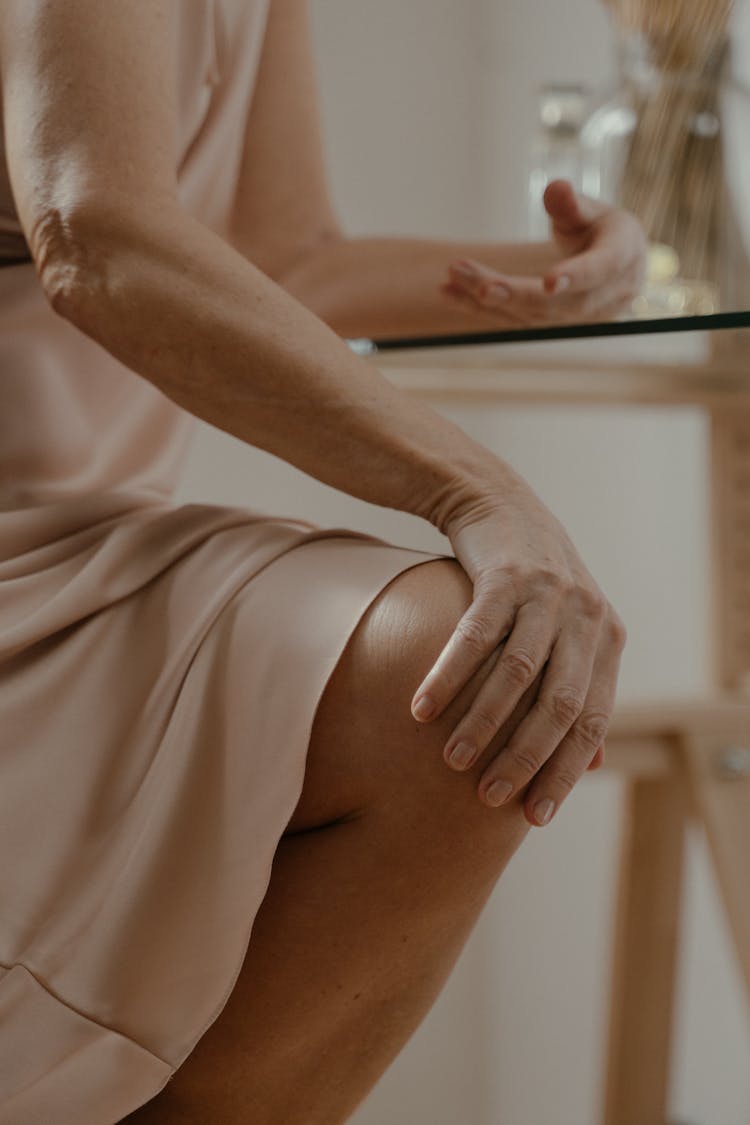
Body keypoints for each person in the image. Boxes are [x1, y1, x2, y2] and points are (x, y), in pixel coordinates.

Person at [0, 2, 639, 1122]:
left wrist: (557, 268)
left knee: (472, 680)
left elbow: (284, 256)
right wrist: (479, 491)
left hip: (93, 537)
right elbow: (96, 233)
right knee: (462, 663)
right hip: (31, 559)